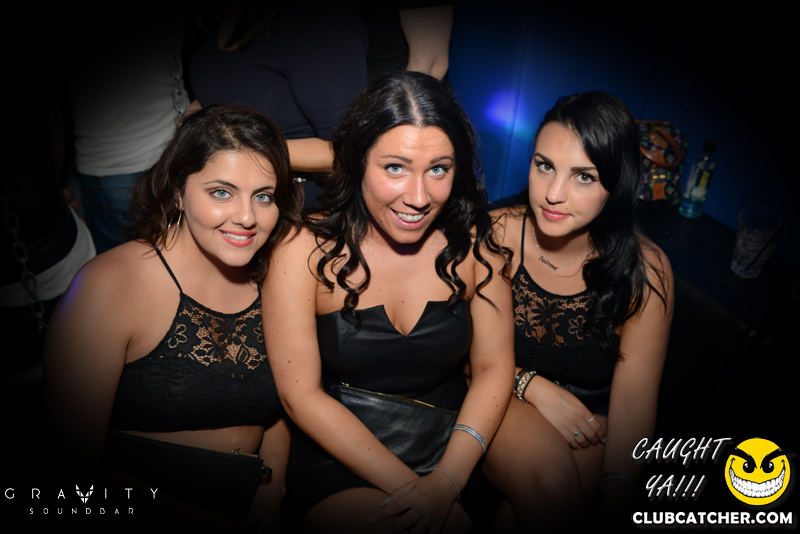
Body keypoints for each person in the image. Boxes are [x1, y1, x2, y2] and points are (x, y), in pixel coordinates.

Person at [261, 71, 515, 533]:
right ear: (357, 161)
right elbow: (300, 397)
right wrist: (420, 495)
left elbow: (494, 368)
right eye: (395, 168)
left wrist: (447, 481)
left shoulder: (474, 245)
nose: (418, 197)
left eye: (438, 169)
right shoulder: (302, 250)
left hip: (453, 439)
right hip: (341, 450)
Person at [43, 103, 302, 529]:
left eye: (264, 196)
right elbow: (70, 461)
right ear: (178, 191)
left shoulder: (274, 277)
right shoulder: (110, 285)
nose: (247, 217)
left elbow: (284, 405)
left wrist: (270, 493)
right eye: (221, 192)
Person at [484, 91, 674, 532]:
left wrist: (617, 500)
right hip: (501, 389)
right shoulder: (497, 236)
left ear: (617, 184)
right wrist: (531, 386)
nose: (553, 194)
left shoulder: (645, 272)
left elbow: (633, 405)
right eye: (544, 165)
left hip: (591, 421)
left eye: (583, 177)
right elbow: (454, 350)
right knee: (551, 488)